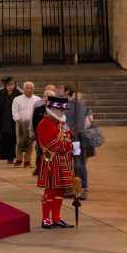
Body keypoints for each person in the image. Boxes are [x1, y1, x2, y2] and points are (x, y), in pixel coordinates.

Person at [36, 94, 76, 229]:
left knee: (60, 190)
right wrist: (69, 145)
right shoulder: (45, 123)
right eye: (60, 110)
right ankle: (46, 219)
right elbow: (54, 144)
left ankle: (56, 218)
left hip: (63, 159)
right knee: (50, 190)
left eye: (63, 110)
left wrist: (72, 143)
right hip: (51, 159)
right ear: (51, 109)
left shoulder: (61, 123)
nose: (62, 112)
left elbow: (68, 137)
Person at [64, 85, 93, 200]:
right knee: (71, 165)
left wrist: (71, 134)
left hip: (77, 139)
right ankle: (74, 188)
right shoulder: (67, 104)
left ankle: (83, 189)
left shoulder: (80, 105)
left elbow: (80, 125)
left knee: (79, 164)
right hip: (68, 138)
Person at [12, 81, 40, 168]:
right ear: (24, 89)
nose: (29, 89)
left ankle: (27, 160)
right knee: (20, 141)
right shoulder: (17, 99)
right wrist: (18, 120)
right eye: (27, 87)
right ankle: (18, 159)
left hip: (32, 123)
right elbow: (14, 111)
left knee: (30, 142)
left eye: (31, 88)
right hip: (20, 121)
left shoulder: (37, 99)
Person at [0, 76, 20, 163]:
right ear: (5, 86)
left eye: (12, 85)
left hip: (14, 120)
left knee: (14, 139)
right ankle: (7, 156)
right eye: (9, 85)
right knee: (5, 138)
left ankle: (13, 157)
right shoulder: (0, 93)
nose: (10, 87)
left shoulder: (19, 94)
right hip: (3, 119)